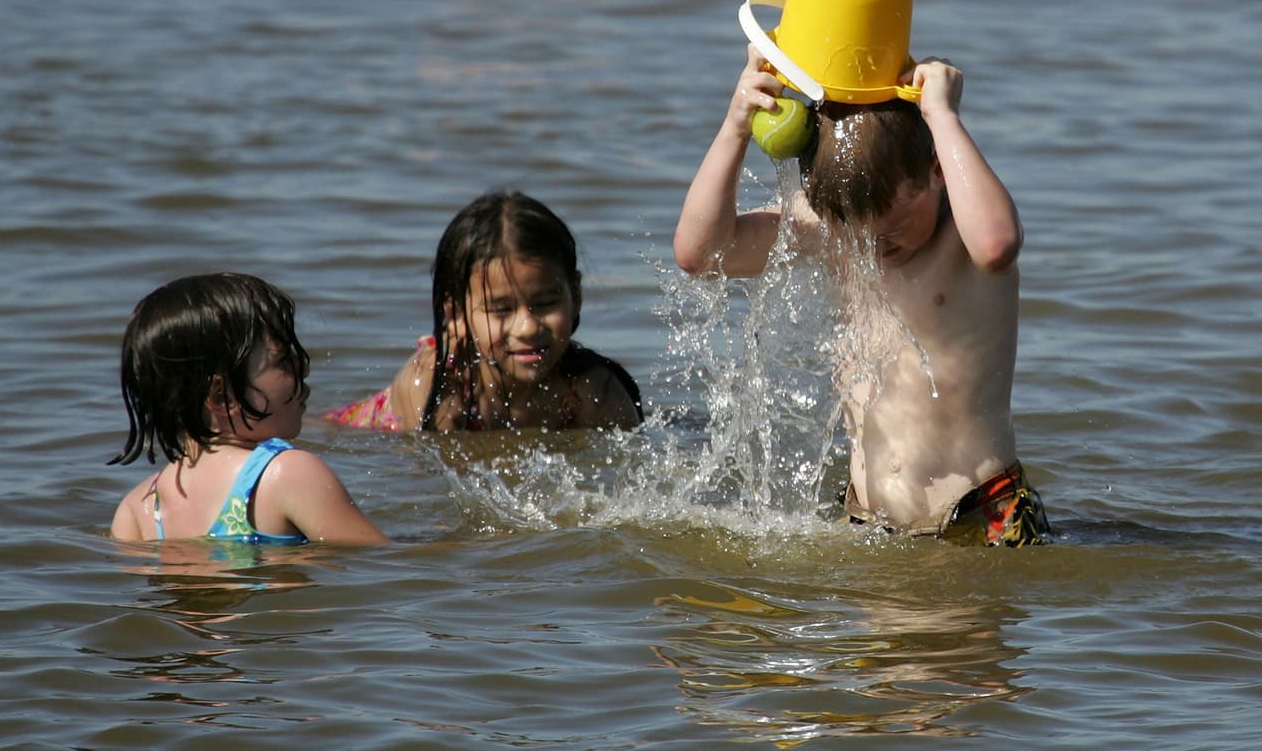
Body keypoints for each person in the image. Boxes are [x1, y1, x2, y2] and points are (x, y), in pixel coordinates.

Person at [673, 45, 1050, 546]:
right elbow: (701, 255)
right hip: (868, 520)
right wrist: (735, 128)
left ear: (936, 171)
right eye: (857, 235)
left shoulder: (963, 237)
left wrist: (942, 115)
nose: (873, 248)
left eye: (892, 231)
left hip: (980, 514)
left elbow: (998, 244)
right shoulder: (832, 231)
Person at [326, 190, 644, 433]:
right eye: (501, 309)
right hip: (354, 430)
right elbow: (421, 491)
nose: (528, 326)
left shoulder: (591, 392)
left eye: (546, 303)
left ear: (575, 295)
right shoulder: (438, 384)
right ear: (457, 316)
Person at [109, 273, 390, 546]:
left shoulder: (137, 510)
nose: (303, 368)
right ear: (219, 397)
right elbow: (376, 562)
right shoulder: (287, 473)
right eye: (282, 360)